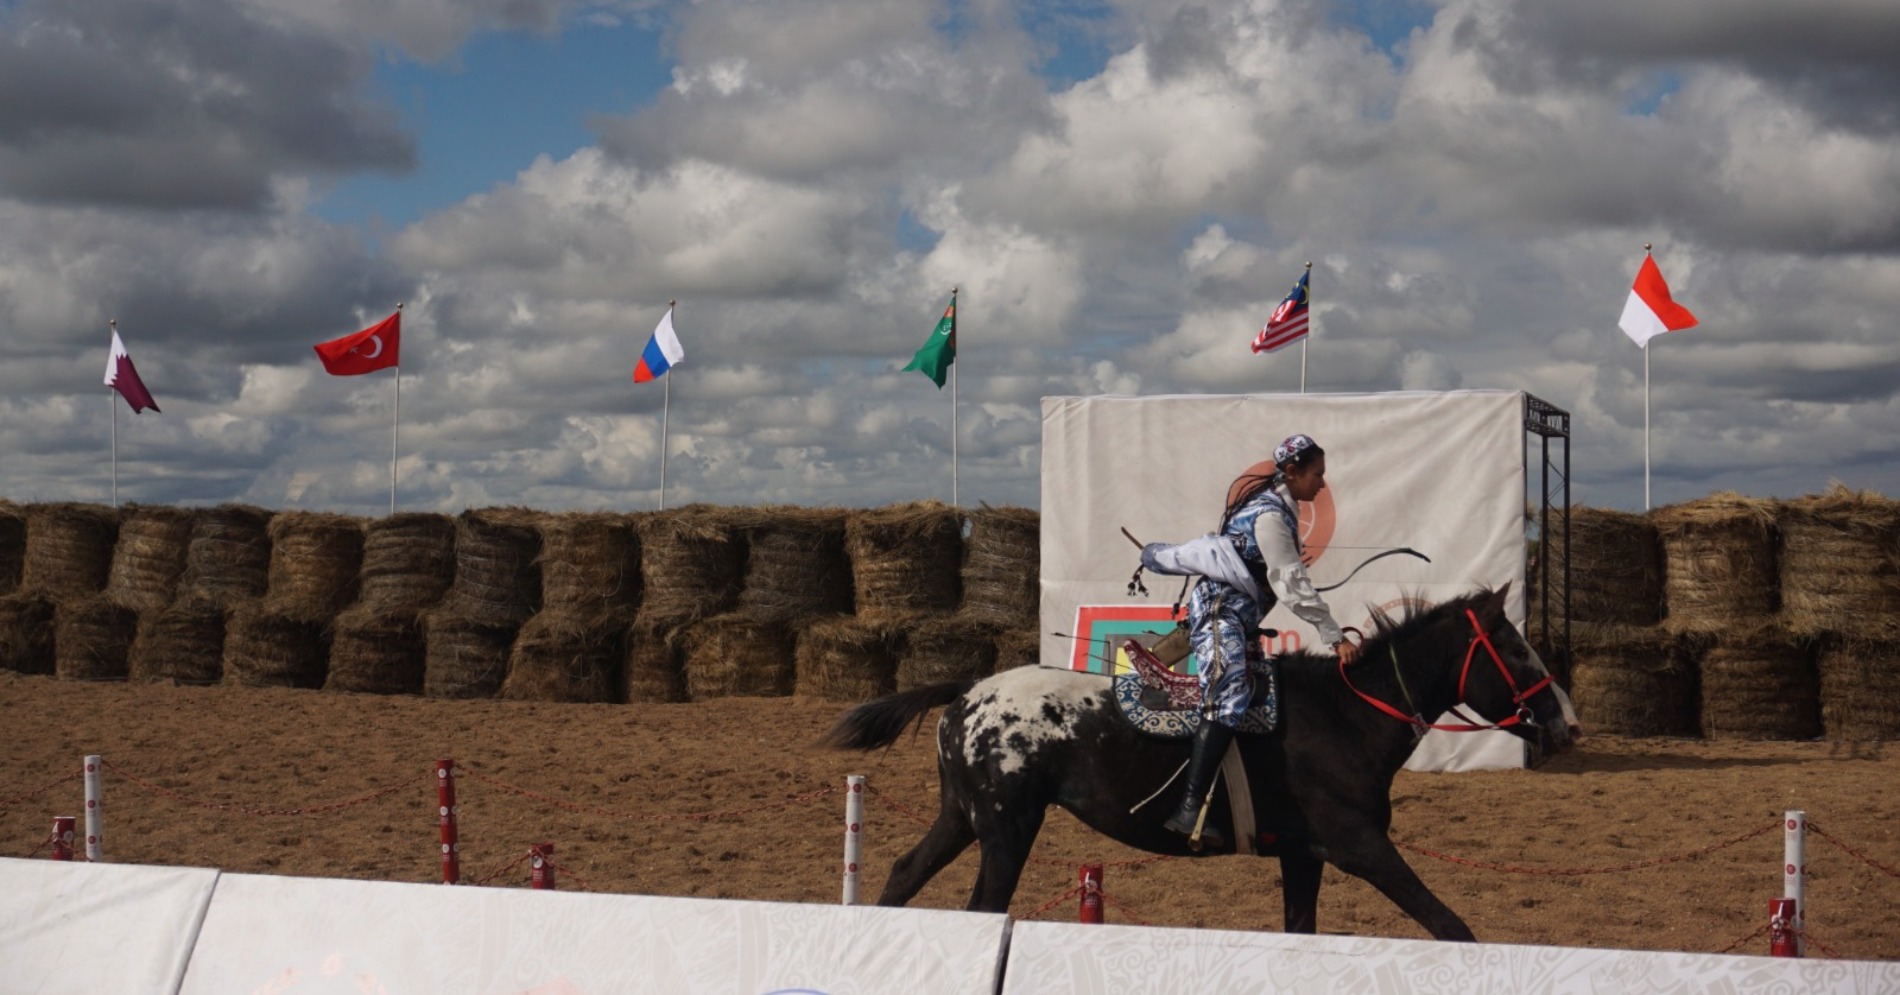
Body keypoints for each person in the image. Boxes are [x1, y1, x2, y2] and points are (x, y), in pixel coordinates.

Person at [1161, 433, 1360, 849]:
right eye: (1317, 475)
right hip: (1221, 614)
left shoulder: (1279, 511)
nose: (1322, 484)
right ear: (1292, 472)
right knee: (1230, 694)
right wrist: (1333, 636)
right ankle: (1189, 808)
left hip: (1238, 618)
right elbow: (1289, 583)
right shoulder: (1269, 517)